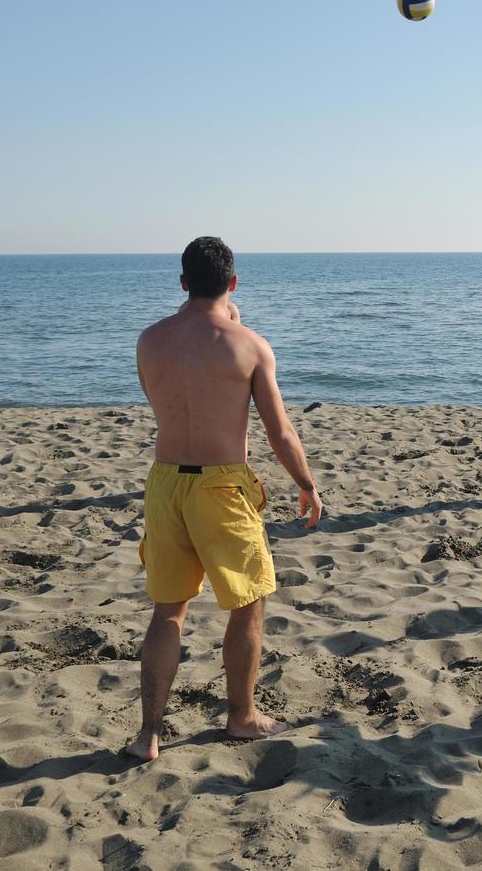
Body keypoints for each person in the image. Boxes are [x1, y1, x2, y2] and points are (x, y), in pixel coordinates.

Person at [126, 237, 322, 761]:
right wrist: (305, 483)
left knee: (168, 612)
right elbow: (279, 431)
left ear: (183, 281)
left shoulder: (150, 340)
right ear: (233, 283)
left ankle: (148, 733)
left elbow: (164, 399)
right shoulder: (249, 345)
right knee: (248, 603)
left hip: (165, 480)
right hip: (221, 484)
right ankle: (241, 716)